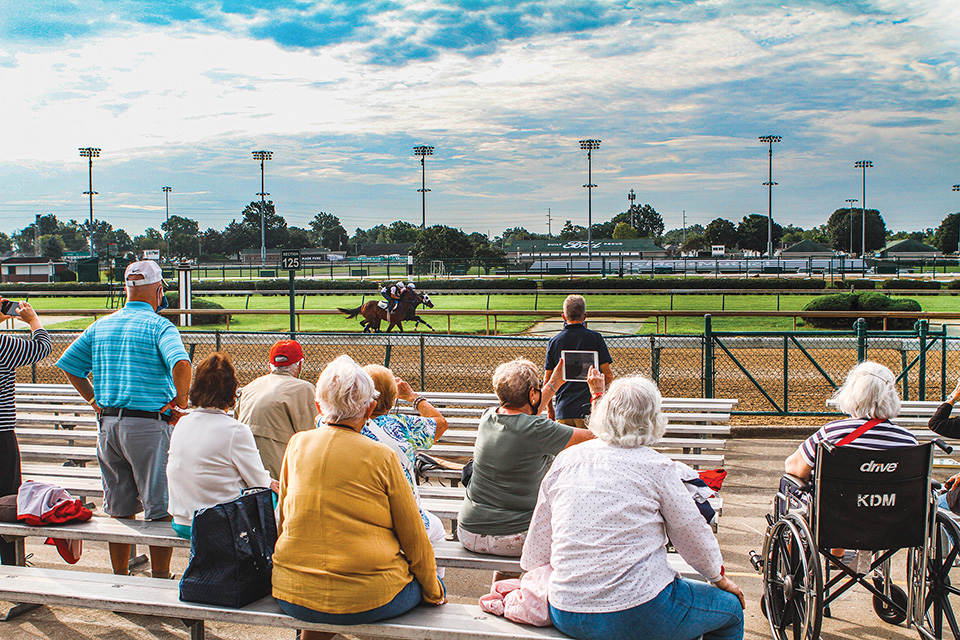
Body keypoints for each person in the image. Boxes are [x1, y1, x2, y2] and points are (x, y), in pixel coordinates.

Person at [522, 375, 745, 640]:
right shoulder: (657, 467)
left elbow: (536, 550)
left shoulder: (567, 459)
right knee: (731, 610)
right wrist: (717, 577)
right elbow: (691, 532)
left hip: (566, 608)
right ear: (653, 418)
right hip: (638, 607)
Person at [272, 355, 445, 639]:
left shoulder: (297, 444)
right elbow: (413, 535)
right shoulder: (381, 455)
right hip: (367, 596)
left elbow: (284, 517)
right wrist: (434, 589)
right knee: (427, 583)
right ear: (369, 409)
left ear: (318, 407)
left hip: (292, 590)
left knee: (326, 605)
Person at [57, 260, 191, 578]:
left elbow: (70, 365)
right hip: (147, 425)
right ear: (159, 291)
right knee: (158, 508)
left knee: (119, 507)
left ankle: (121, 578)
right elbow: (181, 364)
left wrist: (93, 402)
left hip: (108, 425)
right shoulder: (160, 326)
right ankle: (159, 578)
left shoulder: (101, 325)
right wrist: (180, 403)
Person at [457, 357, 594, 557]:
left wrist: (553, 384)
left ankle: (500, 587)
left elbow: (523, 413)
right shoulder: (538, 429)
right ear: (532, 393)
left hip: (468, 531)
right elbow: (594, 437)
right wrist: (597, 393)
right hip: (513, 537)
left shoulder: (487, 417)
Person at [166, 352, 279, 539]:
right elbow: (259, 483)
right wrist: (273, 484)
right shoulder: (236, 431)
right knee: (276, 500)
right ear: (232, 389)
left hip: (181, 521)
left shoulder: (183, 423)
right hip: (217, 524)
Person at [362, 364, 449, 569]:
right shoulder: (403, 426)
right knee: (436, 529)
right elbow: (440, 423)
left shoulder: (343, 423)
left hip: (364, 514)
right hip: (400, 519)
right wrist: (413, 397)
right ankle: (436, 583)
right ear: (392, 398)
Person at [785, 360, 917, 482]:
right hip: (891, 505)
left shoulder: (831, 434)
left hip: (838, 506)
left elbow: (794, 467)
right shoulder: (908, 441)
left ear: (851, 394)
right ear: (892, 397)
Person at [0, 300, 51, 566]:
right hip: (1, 435)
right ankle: (11, 565)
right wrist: (32, 320)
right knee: (6, 500)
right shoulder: (3, 344)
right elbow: (43, 347)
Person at [234, 339, 318, 479]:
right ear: (300, 365)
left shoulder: (250, 387)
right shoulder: (305, 389)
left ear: (270, 365)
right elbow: (312, 437)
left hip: (245, 472)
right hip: (280, 476)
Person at [544, 294, 613, 427]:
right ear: (585, 316)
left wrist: (551, 410)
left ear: (564, 316)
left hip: (564, 410)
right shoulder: (595, 338)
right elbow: (608, 374)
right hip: (590, 409)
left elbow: (548, 381)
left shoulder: (555, 342)